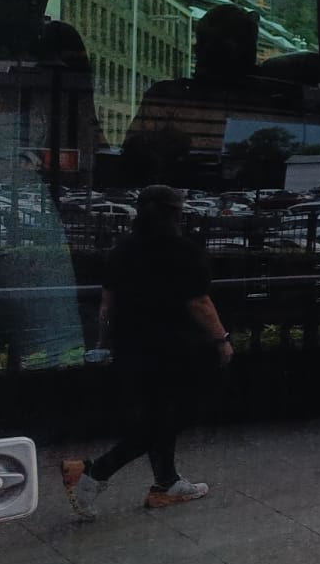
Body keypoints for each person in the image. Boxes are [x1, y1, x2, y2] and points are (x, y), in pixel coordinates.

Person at [62, 184, 233, 519]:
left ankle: (165, 484)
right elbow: (199, 302)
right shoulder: (184, 251)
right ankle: (93, 473)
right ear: (176, 213)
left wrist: (103, 342)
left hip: (132, 348)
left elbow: (106, 306)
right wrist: (222, 339)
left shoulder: (121, 250)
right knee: (169, 419)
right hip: (176, 349)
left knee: (157, 415)